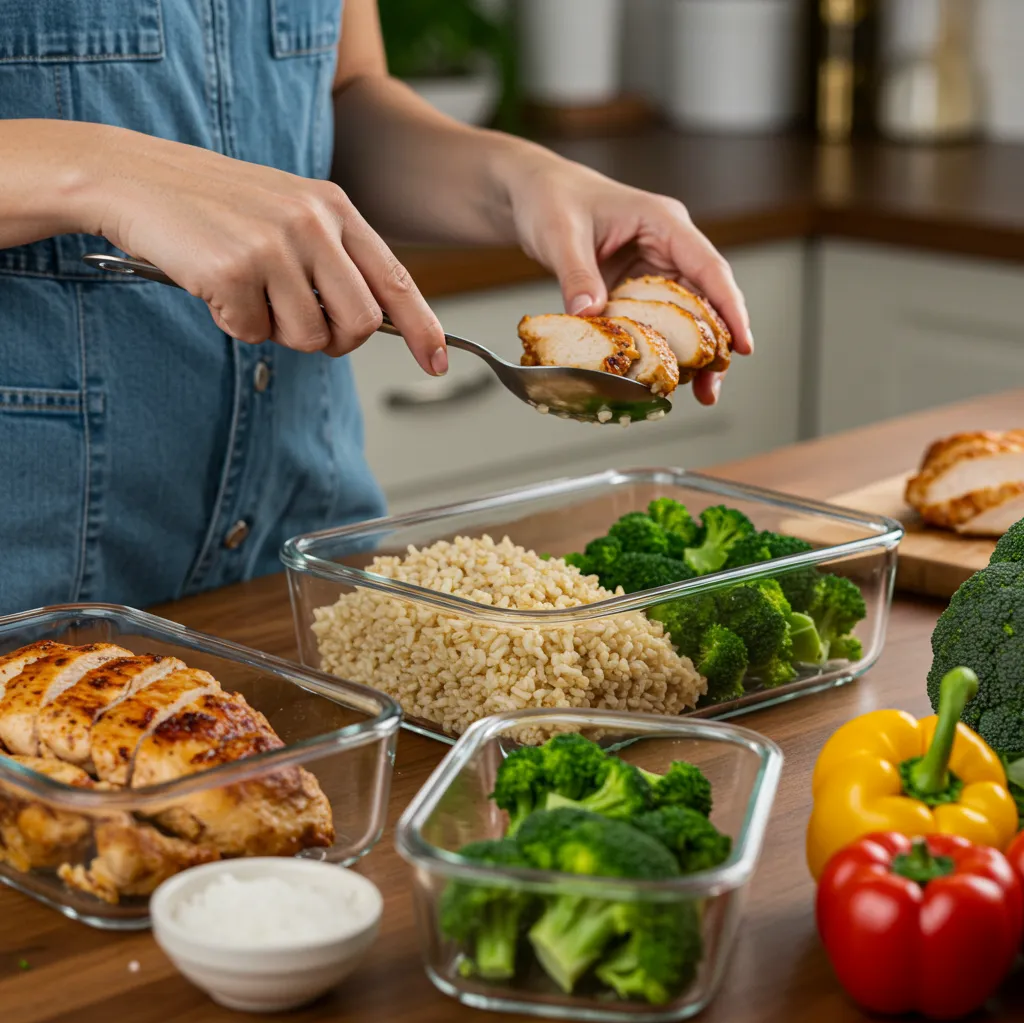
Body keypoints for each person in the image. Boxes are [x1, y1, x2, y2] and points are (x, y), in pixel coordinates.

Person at [0, 0, 752, 617]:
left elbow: (341, 98)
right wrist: (102, 173)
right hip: (33, 582)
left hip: (307, 561)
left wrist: (521, 183)